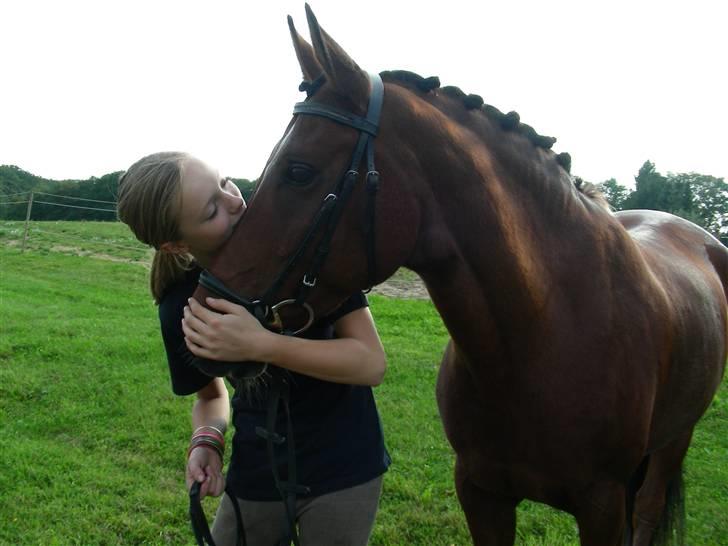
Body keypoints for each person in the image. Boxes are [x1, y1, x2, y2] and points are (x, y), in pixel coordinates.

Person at [117, 151, 390, 545]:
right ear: (175, 245)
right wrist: (207, 440)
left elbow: (370, 363)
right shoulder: (183, 305)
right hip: (257, 470)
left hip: (345, 466)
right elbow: (211, 396)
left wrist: (262, 343)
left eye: (225, 182)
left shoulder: (306, 249)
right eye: (212, 210)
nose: (236, 200)